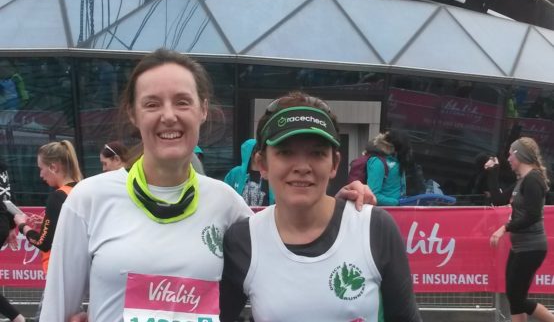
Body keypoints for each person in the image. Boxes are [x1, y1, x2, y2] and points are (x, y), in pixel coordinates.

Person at [42, 50, 371, 322]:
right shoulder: (88, 199)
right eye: (152, 103)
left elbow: (290, 248)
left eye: (182, 102)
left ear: (202, 110)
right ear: (133, 113)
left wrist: (335, 213)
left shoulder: (226, 204)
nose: (169, 116)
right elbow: (56, 313)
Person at [221, 92, 421, 322]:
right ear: (262, 163)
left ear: (334, 163)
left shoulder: (374, 227)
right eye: (285, 152)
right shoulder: (243, 240)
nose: (303, 167)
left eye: (317, 153)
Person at [486, 137, 554, 322]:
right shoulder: (522, 180)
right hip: (520, 248)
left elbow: (531, 216)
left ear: (520, 156)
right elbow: (499, 200)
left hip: (532, 248)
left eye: (510, 155)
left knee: (516, 297)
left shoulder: (533, 179)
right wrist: (493, 172)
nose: (508, 159)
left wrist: (504, 228)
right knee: (514, 298)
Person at [14, 140, 82, 274]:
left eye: (41, 168)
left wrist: (22, 226)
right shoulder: (81, 189)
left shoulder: (58, 196)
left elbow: (42, 243)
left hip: (59, 269)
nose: (40, 175)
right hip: (78, 267)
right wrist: (47, 223)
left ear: (53, 167)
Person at [0, 161, 25, 322]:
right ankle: (17, 318)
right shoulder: (2, 168)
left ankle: (18, 318)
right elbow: (7, 196)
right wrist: (9, 228)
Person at [366, 130, 411, 206]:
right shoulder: (378, 162)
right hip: (384, 212)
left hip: (397, 211)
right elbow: (372, 195)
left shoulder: (398, 162)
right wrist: (397, 202)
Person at [224, 138, 274, 206]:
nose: (262, 154)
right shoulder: (235, 173)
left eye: (263, 151)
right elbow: (225, 194)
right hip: (241, 215)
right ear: (250, 153)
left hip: (266, 215)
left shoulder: (270, 173)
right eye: (258, 150)